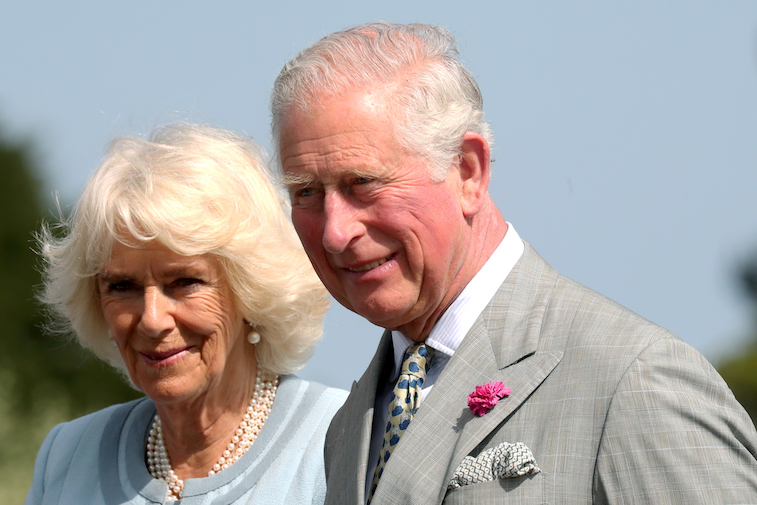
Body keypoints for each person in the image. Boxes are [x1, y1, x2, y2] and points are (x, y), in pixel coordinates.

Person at [271, 22, 757, 504]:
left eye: (363, 183)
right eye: (306, 192)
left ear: (467, 171)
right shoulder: (351, 424)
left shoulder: (633, 381)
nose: (335, 231)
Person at [26, 123, 347, 505]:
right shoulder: (68, 457)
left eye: (184, 282)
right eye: (122, 287)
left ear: (252, 290)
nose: (152, 319)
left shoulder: (345, 438)